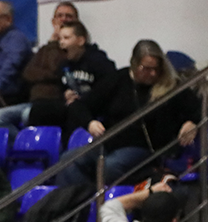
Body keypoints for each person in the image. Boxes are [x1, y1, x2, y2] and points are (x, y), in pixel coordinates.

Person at [58, 39, 199, 187]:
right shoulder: (118, 79)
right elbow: (80, 106)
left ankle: (113, 203)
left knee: (111, 165)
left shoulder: (170, 85)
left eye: (156, 68)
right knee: (69, 159)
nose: (152, 73)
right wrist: (90, 123)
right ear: (135, 64)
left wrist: (192, 122)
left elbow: (198, 107)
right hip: (110, 143)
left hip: (148, 149)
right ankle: (80, 202)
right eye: (146, 68)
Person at [0, 2, 79, 137]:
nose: (63, 19)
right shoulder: (45, 49)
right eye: (59, 16)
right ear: (53, 21)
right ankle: (19, 144)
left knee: (28, 115)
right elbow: (28, 73)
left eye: (68, 16)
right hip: (33, 102)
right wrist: (47, 72)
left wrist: (54, 43)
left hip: (53, 102)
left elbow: (57, 71)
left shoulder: (71, 48)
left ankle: (31, 146)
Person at [26, 21, 115, 131]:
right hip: (71, 106)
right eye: (60, 39)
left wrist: (85, 98)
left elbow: (108, 89)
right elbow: (62, 85)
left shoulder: (98, 61)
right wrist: (66, 93)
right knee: (39, 109)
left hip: (92, 107)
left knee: (75, 110)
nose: (61, 43)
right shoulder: (64, 64)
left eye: (66, 38)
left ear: (80, 41)